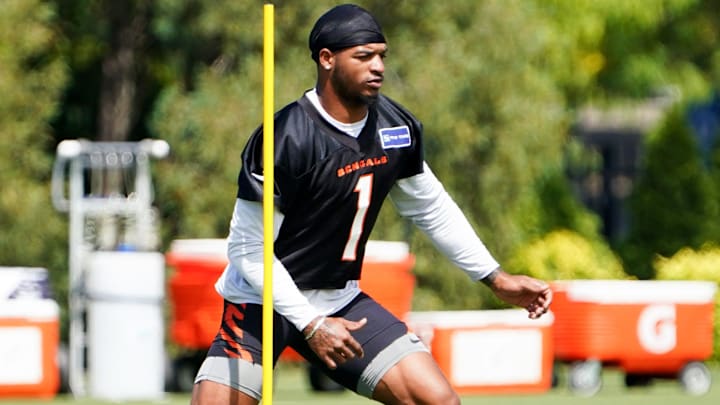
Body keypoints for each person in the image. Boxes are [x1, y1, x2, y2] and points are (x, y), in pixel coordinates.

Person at [191, 4, 552, 405]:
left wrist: (495, 279)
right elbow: (248, 250)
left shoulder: (394, 127)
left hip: (338, 297)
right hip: (261, 302)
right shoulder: (286, 138)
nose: (378, 66)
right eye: (364, 56)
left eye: (381, 55)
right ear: (327, 59)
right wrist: (311, 324)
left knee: (436, 400)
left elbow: (430, 208)